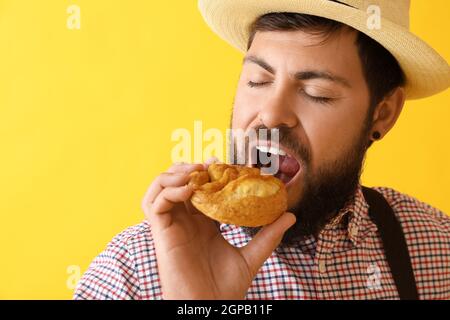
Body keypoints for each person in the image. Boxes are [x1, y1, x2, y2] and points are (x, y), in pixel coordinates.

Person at [74, 0, 450, 299]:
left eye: (316, 93)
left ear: (382, 114)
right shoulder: (130, 273)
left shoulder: (436, 250)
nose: (270, 114)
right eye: (257, 80)